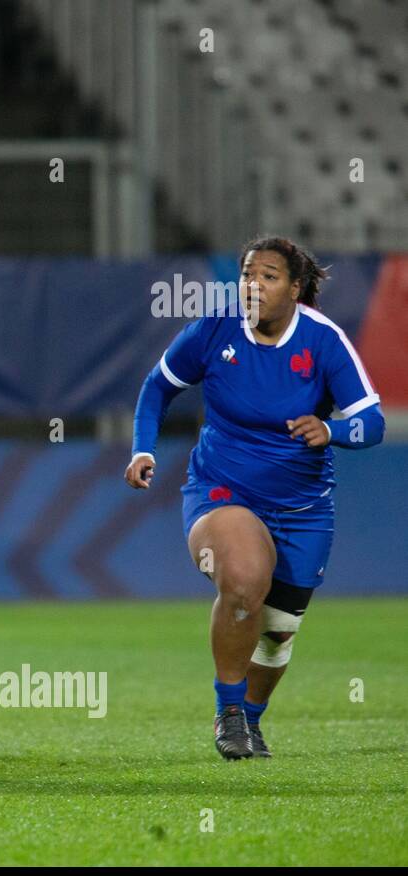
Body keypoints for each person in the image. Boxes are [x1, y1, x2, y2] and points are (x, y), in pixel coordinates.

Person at [125, 236, 384, 760]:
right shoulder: (214, 330)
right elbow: (158, 387)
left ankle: (251, 719)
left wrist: (331, 431)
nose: (253, 285)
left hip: (304, 507)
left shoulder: (323, 341)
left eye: (268, 276)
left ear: (294, 288)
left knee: (277, 634)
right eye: (247, 274)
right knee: (243, 582)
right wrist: (141, 450)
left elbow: (372, 423)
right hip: (221, 489)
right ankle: (228, 712)